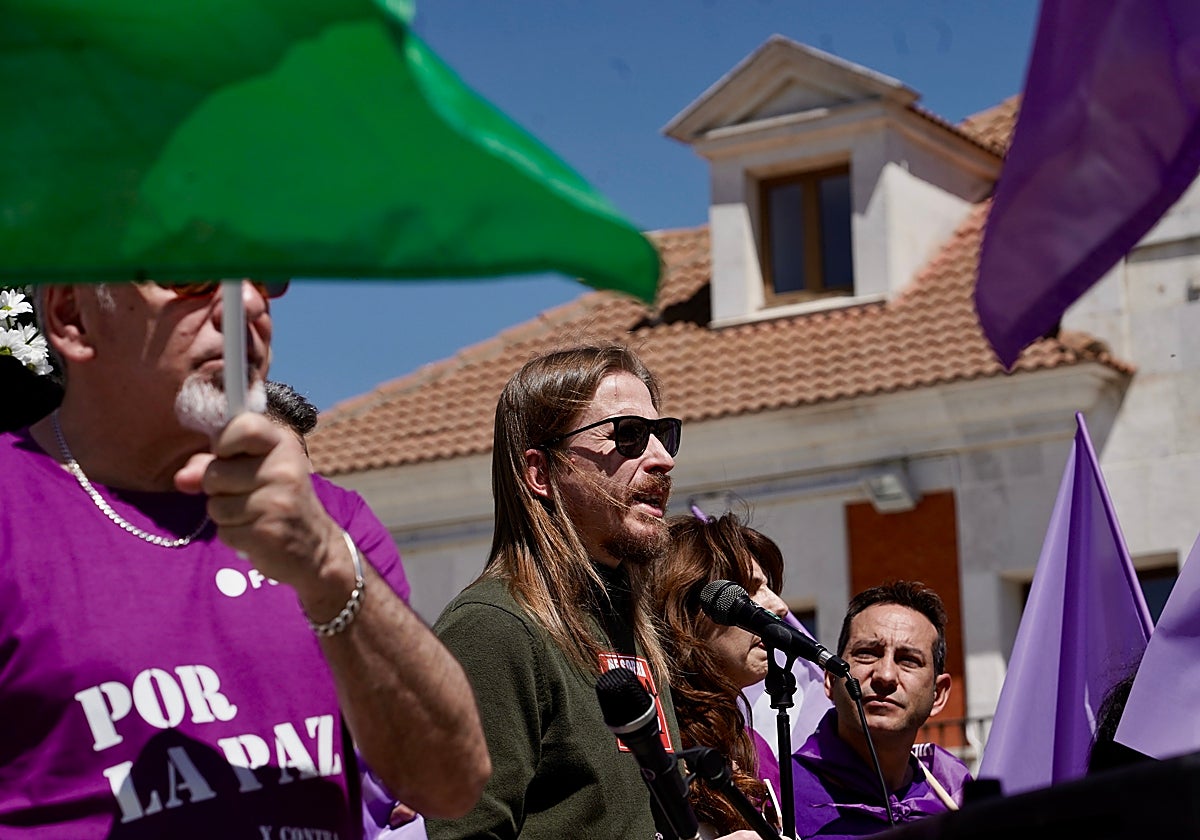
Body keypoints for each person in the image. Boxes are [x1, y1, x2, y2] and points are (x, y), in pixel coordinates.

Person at [0, 280, 489, 837]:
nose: (249, 304)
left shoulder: (331, 520)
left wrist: (327, 568)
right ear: (72, 315)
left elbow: (450, 785)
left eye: (262, 277)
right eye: (192, 273)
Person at [425, 342, 685, 840]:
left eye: (663, 435)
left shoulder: (629, 624)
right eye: (629, 435)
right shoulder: (492, 629)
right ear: (540, 472)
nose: (662, 459)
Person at [791, 580, 971, 839]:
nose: (885, 676)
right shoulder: (777, 797)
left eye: (908, 660)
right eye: (867, 653)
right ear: (830, 679)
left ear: (938, 694)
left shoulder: (957, 797)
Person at [656, 509, 791, 839]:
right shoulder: (642, 741)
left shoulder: (756, 749)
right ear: (685, 611)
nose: (779, 606)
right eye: (750, 591)